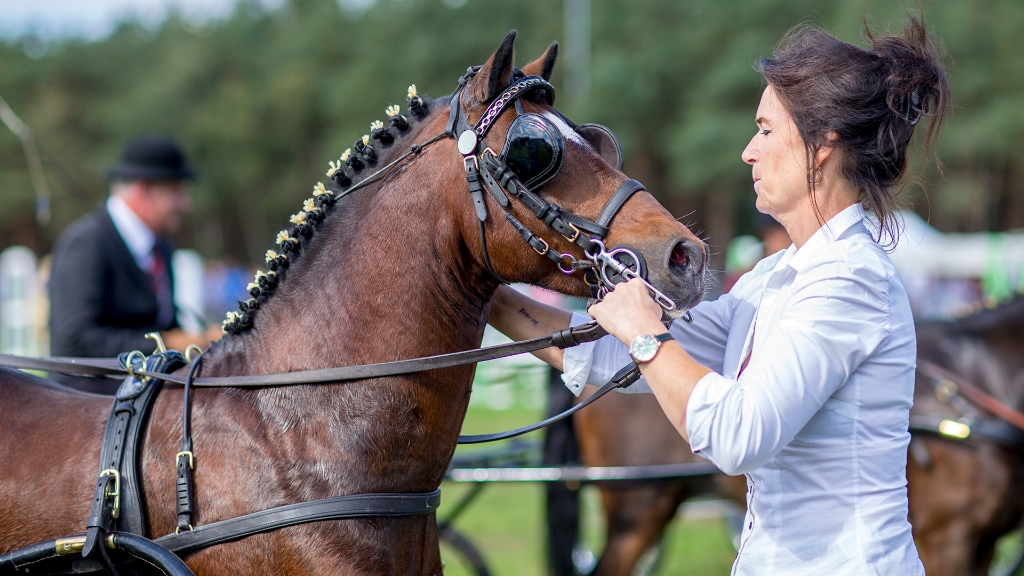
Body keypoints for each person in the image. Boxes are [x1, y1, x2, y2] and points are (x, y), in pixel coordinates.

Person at [488, 15, 948, 575]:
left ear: (823, 144)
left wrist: (645, 333)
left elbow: (738, 435)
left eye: (766, 130)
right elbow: (616, 360)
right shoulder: (776, 276)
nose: (748, 152)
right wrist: (490, 298)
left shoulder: (850, 282)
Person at [49, 135, 220, 393]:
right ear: (144, 190)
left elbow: (164, 320)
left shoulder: (161, 245)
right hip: (88, 404)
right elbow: (75, 340)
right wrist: (167, 342)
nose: (186, 204)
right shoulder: (86, 245)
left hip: (149, 394)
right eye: (177, 192)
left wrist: (204, 340)